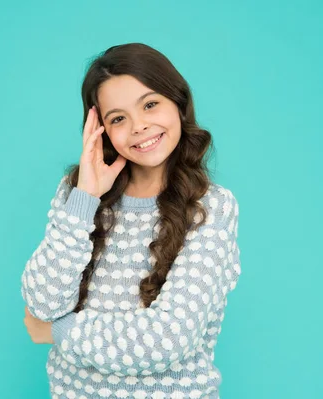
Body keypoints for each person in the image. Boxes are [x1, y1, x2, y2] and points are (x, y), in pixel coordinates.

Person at [21, 42, 241, 399]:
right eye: (118, 118)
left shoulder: (211, 208)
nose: (139, 126)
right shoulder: (77, 196)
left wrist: (57, 331)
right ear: (101, 129)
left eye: (151, 104)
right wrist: (85, 197)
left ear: (178, 103)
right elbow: (42, 302)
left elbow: (165, 340)